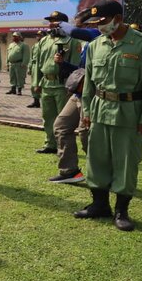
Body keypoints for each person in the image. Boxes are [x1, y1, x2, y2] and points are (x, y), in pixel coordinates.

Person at [75, 0, 142, 232]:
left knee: (125, 162)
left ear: (119, 19)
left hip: (129, 112)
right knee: (97, 159)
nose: (100, 26)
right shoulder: (96, 45)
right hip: (100, 109)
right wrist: (87, 111)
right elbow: (89, 83)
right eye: (97, 23)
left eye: (103, 21)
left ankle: (122, 210)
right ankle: (99, 205)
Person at [48, 10, 101, 184]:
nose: (90, 27)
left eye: (91, 24)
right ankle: (69, 171)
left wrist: (66, 25)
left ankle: (103, 173)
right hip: (79, 92)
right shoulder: (87, 45)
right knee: (61, 126)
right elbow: (82, 70)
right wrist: (64, 64)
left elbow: (77, 32)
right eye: (88, 24)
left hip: (92, 96)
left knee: (87, 137)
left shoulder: (98, 37)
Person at [33, 12, 82, 154]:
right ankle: (50, 144)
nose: (51, 23)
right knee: (47, 117)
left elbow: (76, 66)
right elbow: (37, 64)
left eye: (55, 21)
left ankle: (63, 146)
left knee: (63, 119)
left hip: (62, 85)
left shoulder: (72, 41)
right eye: (51, 21)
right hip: (46, 83)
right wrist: (36, 82)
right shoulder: (44, 41)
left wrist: (72, 87)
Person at [27, 30, 45, 108]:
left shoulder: (45, 45)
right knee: (33, 85)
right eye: (37, 35)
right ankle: (36, 101)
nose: (38, 37)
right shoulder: (35, 45)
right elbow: (31, 58)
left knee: (42, 85)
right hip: (35, 67)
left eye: (40, 35)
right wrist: (30, 68)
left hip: (42, 67)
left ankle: (44, 101)